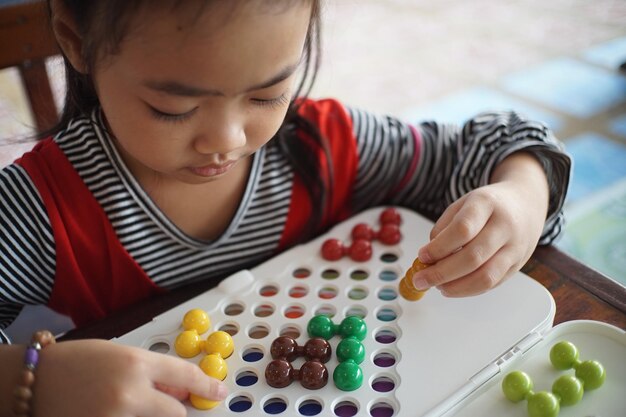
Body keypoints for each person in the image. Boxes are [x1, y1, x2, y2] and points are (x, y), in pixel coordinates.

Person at [0, 0, 571, 415]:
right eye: (172, 108)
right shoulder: (37, 209)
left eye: (268, 93)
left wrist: (520, 195)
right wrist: (32, 383)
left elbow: (489, 144)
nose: (224, 138)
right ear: (76, 40)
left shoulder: (326, 145)